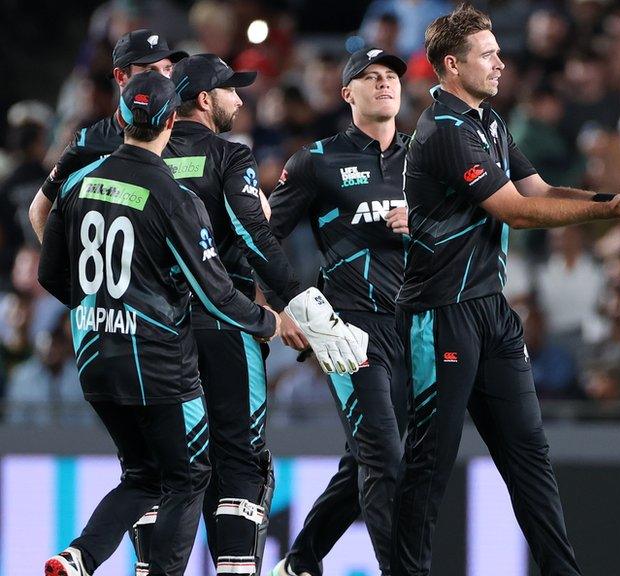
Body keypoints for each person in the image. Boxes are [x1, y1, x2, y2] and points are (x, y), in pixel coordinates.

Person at [393, 5, 620, 576]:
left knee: (530, 456)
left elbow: (541, 187)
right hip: (441, 313)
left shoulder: (490, 123)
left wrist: (614, 199)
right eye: (488, 53)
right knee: (430, 462)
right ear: (451, 66)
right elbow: (518, 213)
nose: (502, 60)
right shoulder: (445, 131)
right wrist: (612, 211)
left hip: (491, 312)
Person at [37, 71, 278, 576]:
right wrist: (269, 322)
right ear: (172, 119)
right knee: (190, 476)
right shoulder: (173, 196)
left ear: (121, 118)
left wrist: (94, 306)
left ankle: (79, 556)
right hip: (156, 360)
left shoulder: (81, 180)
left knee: (143, 474)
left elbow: (49, 274)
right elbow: (215, 294)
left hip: (93, 355)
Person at [164, 53, 369, 576]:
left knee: (163, 466)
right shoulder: (229, 155)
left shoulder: (145, 157)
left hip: (157, 332)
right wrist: (303, 304)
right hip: (224, 326)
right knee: (241, 461)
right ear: (206, 100)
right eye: (232, 89)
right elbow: (257, 238)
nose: (241, 98)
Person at [267, 47, 411, 576]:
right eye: (369, 77)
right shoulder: (316, 160)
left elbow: (471, 235)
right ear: (346, 93)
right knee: (385, 462)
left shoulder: (426, 160)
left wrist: (426, 224)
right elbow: (260, 238)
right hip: (348, 331)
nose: (383, 84)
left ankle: (299, 563)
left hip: (415, 328)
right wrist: (284, 308)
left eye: (391, 76)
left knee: (367, 460)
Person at [29, 29, 188, 242]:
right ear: (121, 76)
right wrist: (62, 269)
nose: (162, 79)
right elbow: (39, 209)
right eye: (150, 70)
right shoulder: (89, 141)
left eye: (167, 69)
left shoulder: (179, 133)